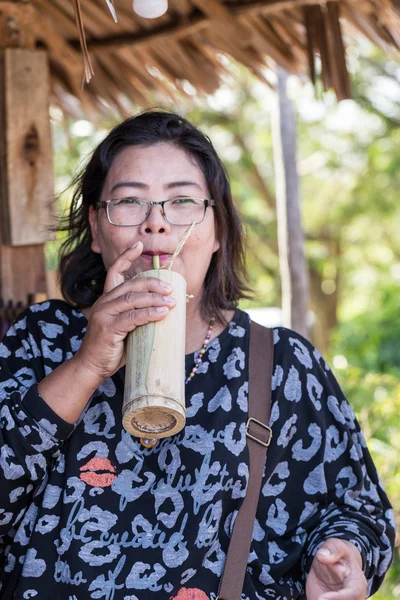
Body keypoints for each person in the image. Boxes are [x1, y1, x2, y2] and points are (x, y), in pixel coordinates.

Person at [0, 110, 395, 600]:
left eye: (182, 201)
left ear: (219, 230)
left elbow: (358, 510)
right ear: (97, 230)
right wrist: (87, 365)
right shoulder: (42, 340)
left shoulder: (281, 366)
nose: (157, 225)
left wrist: (344, 555)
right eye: (129, 201)